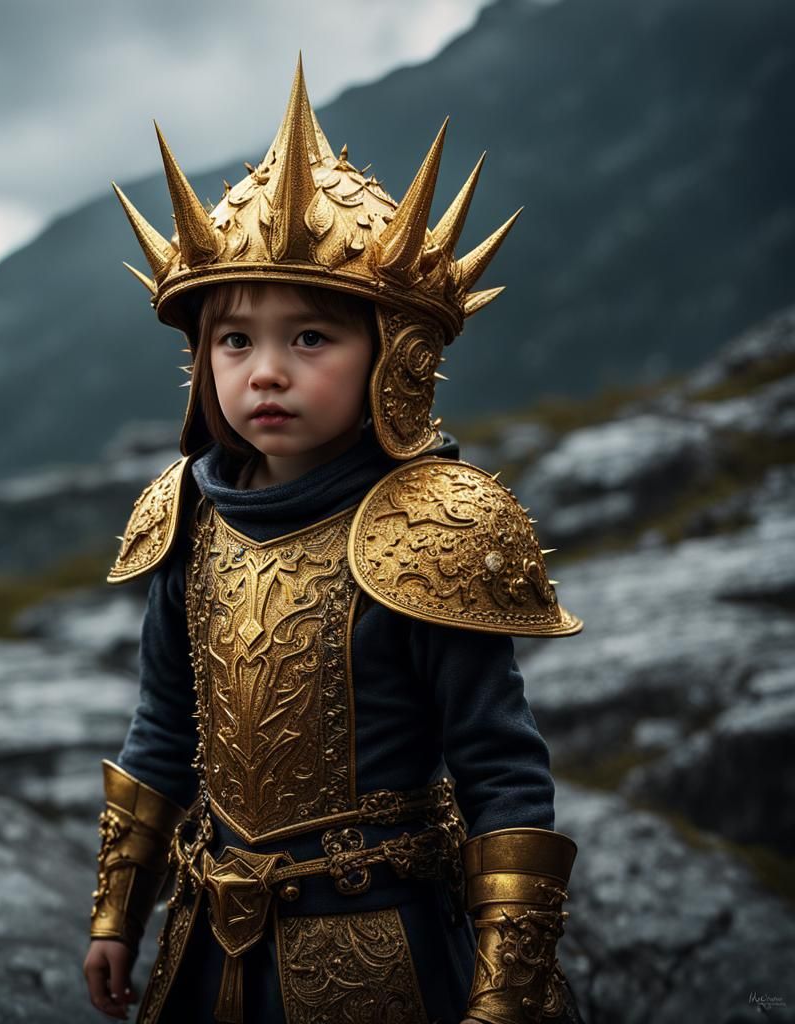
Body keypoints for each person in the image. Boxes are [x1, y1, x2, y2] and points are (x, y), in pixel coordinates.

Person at [82, 56, 586, 1024]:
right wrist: (117, 910)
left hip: (385, 947)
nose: (264, 370)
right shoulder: (187, 513)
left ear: (391, 355)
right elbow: (160, 726)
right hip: (205, 936)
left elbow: (500, 769)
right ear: (199, 361)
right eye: (235, 340)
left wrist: (506, 991)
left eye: (309, 338)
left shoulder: (436, 529)